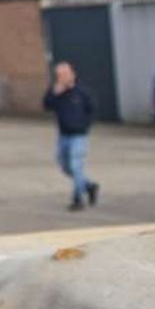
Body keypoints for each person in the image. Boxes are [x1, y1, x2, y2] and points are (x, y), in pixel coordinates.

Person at [42, 62, 100, 210]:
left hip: (78, 136)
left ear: (72, 74)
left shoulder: (82, 92)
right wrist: (54, 93)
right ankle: (89, 186)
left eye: (64, 74)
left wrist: (84, 125)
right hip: (64, 135)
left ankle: (78, 199)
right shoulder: (57, 92)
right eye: (59, 75)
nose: (62, 78)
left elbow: (92, 109)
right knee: (66, 167)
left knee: (76, 165)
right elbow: (46, 105)